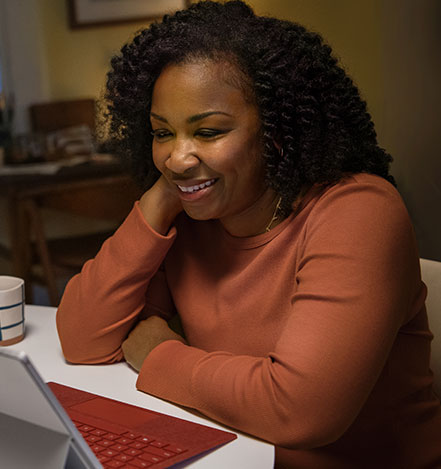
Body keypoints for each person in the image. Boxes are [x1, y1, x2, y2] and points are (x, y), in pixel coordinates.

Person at [55, 1, 441, 467]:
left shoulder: (359, 211)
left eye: (209, 132)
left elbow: (298, 410)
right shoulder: (193, 213)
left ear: (276, 132)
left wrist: (158, 354)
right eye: (162, 133)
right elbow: (82, 338)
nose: (178, 157)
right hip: (230, 455)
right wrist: (158, 201)